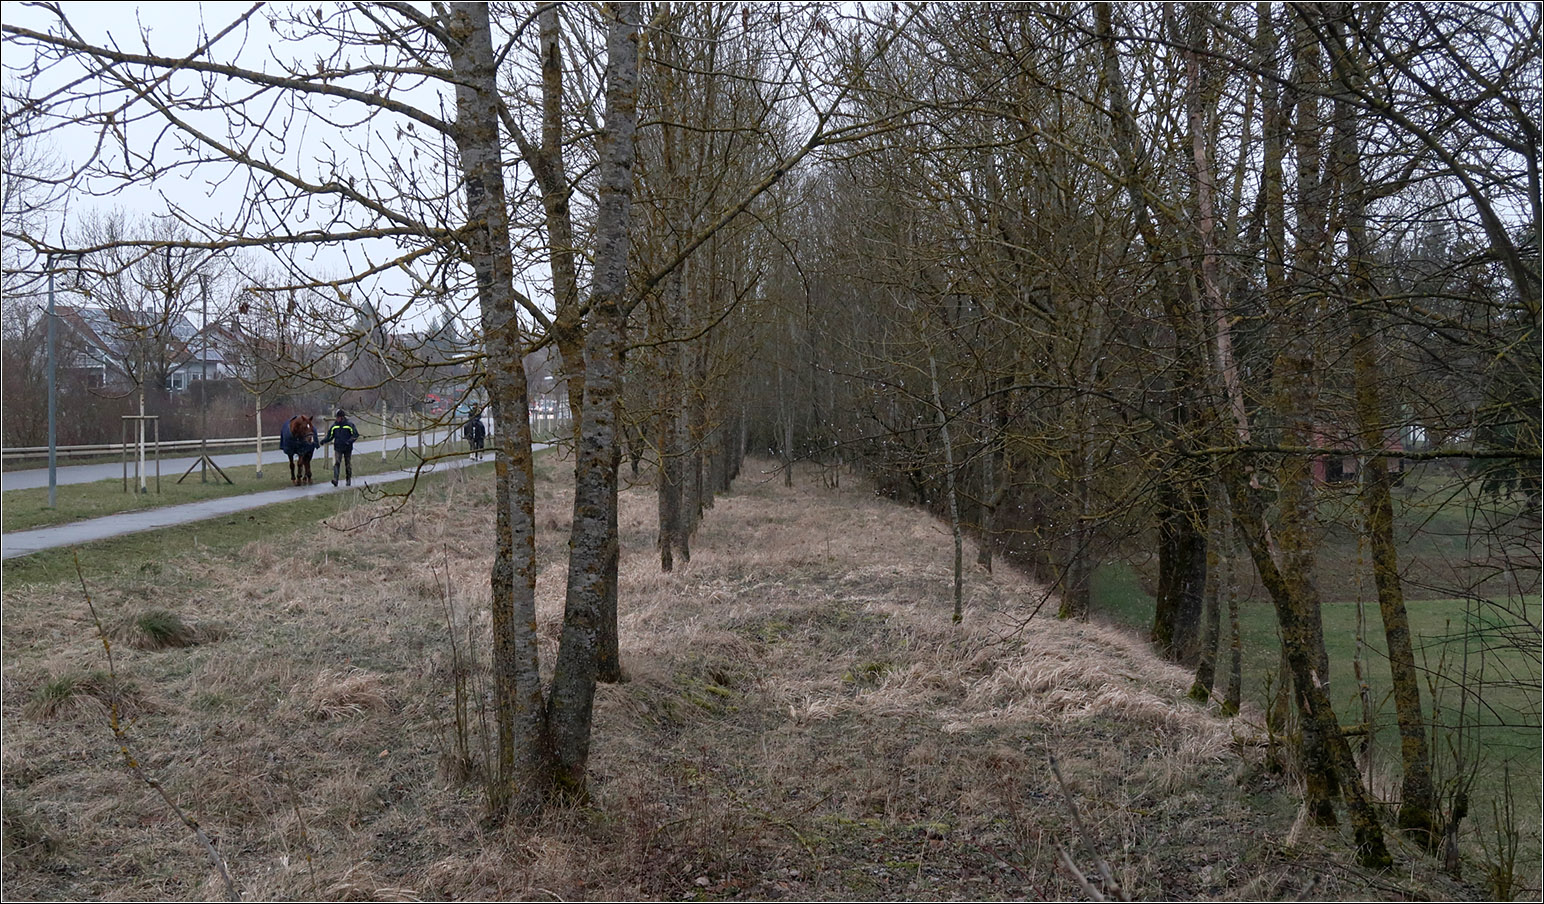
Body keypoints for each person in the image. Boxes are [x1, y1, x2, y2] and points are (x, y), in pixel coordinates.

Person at [321, 408, 361, 486]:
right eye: (336, 417)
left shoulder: (349, 425)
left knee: (347, 464)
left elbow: (355, 435)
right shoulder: (334, 426)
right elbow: (330, 436)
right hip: (338, 448)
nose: (337, 419)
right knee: (337, 462)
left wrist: (349, 441)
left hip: (347, 448)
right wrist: (323, 441)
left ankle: (348, 480)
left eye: (338, 417)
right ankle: (335, 479)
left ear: (342, 417)